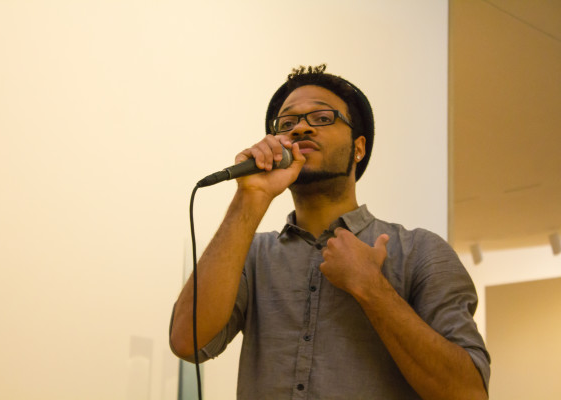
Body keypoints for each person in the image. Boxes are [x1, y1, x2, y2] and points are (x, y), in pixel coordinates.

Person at [170, 64, 490, 399]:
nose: (301, 129)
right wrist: (250, 197)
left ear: (359, 148)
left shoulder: (420, 251)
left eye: (322, 118)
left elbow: (468, 392)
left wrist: (371, 287)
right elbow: (187, 342)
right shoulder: (250, 256)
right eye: (288, 123)